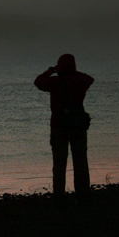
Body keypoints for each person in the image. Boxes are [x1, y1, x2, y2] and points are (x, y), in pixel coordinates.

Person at [34, 54, 95, 202]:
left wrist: (50, 71)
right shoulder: (80, 80)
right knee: (80, 161)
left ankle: (59, 195)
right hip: (78, 125)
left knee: (59, 163)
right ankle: (82, 194)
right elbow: (89, 78)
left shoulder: (55, 82)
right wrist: (73, 72)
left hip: (59, 125)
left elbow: (38, 82)